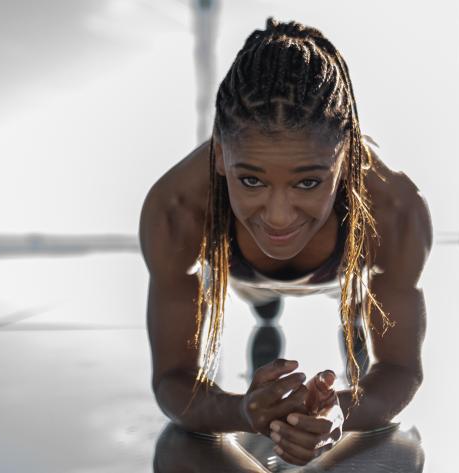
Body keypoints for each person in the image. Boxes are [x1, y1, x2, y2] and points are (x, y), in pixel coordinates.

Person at [139, 18, 432, 467]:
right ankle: (265, 302)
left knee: (357, 305)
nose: (278, 216)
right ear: (219, 155)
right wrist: (237, 411)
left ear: (347, 161)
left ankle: (351, 312)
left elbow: (401, 370)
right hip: (240, 273)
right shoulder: (176, 210)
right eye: (251, 179)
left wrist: (340, 411)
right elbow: (172, 378)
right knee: (261, 299)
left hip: (345, 274)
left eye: (309, 182)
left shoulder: (395, 211)